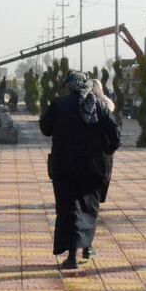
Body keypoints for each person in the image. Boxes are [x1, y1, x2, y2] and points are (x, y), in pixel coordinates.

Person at [40, 72, 120, 269]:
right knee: (88, 210)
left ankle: (72, 255)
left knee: (68, 209)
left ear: (70, 86)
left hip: (64, 167)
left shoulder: (59, 104)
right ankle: (83, 249)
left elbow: (45, 128)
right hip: (92, 169)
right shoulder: (98, 105)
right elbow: (116, 135)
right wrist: (106, 151)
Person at [91, 79, 115, 204]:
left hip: (90, 145)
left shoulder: (86, 103)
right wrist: (112, 147)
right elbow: (114, 131)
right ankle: (100, 198)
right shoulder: (106, 103)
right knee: (105, 173)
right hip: (104, 146)